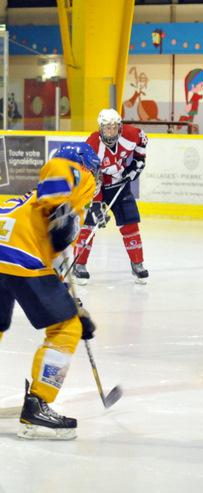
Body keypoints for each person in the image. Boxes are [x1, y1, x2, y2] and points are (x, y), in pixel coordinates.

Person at [0, 143, 100, 440]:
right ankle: (37, 405)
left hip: (11, 252)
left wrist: (73, 305)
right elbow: (58, 167)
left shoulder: (30, 202)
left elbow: (55, 264)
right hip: (21, 256)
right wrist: (61, 206)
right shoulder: (74, 175)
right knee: (65, 328)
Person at [74, 109, 149, 285]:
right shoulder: (91, 145)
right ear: (100, 129)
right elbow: (91, 178)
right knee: (89, 224)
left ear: (120, 127)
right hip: (96, 186)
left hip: (120, 184)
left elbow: (143, 140)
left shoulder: (130, 134)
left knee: (130, 223)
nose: (111, 132)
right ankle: (79, 265)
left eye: (114, 128)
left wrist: (138, 163)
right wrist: (96, 205)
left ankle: (137, 263)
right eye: (107, 128)